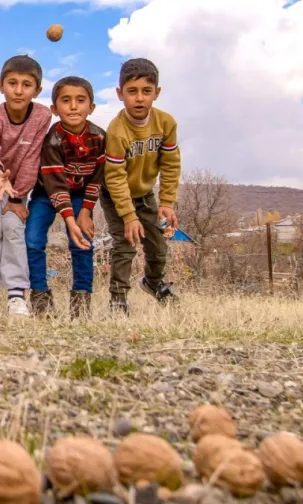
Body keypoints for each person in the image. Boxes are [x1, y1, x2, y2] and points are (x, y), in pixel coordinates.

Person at [101, 57, 181, 314]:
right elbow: (114, 177)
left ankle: (153, 283)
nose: (139, 98)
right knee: (125, 245)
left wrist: (167, 202)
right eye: (131, 91)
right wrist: (128, 216)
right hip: (116, 196)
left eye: (146, 91)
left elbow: (170, 163)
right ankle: (118, 299)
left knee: (157, 246)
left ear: (156, 93)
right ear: (119, 94)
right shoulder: (116, 131)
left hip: (145, 193)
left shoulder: (166, 123)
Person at [0, 55, 52, 317]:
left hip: (19, 186)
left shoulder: (42, 116)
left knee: (13, 228)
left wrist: (18, 197)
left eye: (26, 84)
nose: (18, 90)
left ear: (37, 90)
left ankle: (16, 294)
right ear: (0, 85)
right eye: (12, 83)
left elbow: (32, 159)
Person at [26, 76, 106, 319]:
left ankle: (81, 303)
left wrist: (85, 213)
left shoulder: (99, 138)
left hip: (82, 195)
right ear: (54, 109)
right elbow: (56, 184)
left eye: (80, 100)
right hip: (47, 193)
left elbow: (97, 178)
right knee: (32, 240)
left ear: (91, 107)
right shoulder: (53, 140)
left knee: (82, 243)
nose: (73, 106)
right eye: (66, 100)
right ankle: (41, 299)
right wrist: (69, 220)